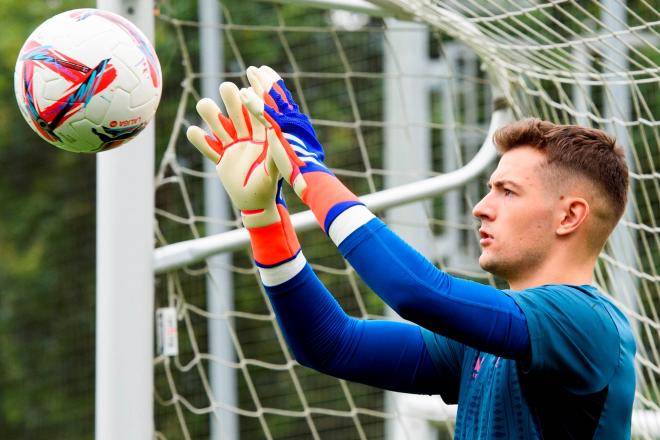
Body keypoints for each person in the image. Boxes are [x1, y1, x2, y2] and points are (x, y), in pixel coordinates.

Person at [186, 66, 636, 439]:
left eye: (508, 192)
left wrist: (310, 172)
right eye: (489, 189)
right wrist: (264, 218)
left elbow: (421, 294)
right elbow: (329, 344)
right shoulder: (486, 345)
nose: (482, 207)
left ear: (569, 216)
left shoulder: (587, 323)